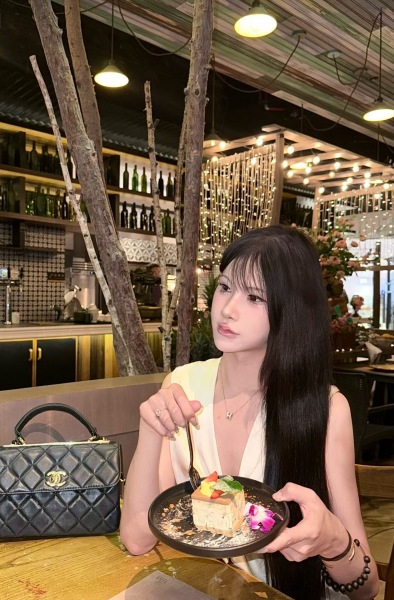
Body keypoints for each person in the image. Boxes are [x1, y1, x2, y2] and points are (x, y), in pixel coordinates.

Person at [120, 225, 379, 600]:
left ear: (290, 310)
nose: (227, 309)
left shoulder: (324, 408)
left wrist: (334, 541)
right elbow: (137, 539)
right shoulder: (182, 385)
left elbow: (366, 589)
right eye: (225, 287)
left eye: (254, 297)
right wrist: (150, 428)